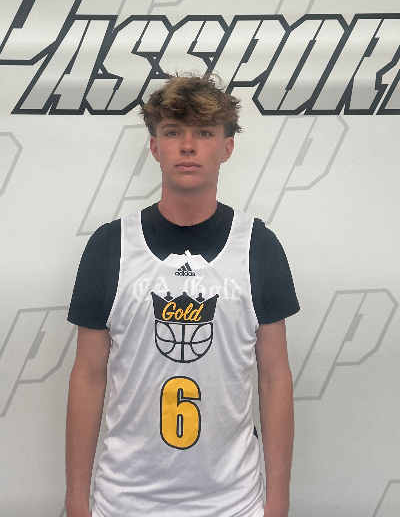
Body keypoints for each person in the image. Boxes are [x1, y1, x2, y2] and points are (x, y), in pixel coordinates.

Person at [65, 73, 299, 517]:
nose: (188, 146)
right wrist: (76, 500)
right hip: (124, 501)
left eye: (204, 133)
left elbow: (274, 379)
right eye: (173, 132)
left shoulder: (258, 246)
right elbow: (88, 377)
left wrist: (279, 502)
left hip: (233, 503)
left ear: (227, 147)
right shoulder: (110, 246)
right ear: (155, 147)